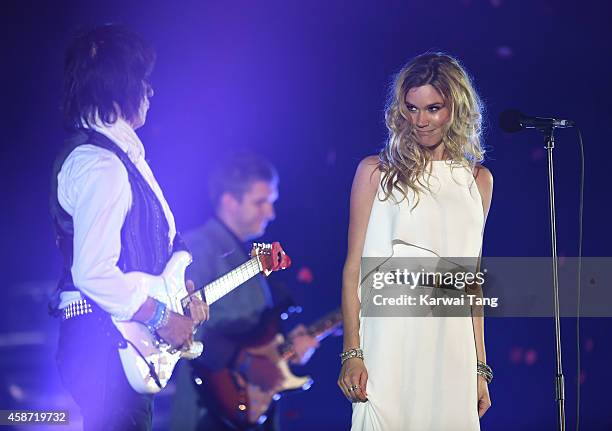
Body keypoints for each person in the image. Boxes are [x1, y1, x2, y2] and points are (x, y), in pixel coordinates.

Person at [50, 24, 208, 431]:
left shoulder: (121, 159)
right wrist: (162, 318)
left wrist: (181, 293)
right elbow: (93, 272)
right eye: (142, 80)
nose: (150, 91)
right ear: (117, 87)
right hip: (101, 342)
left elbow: (154, 246)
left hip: (115, 342)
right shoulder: (100, 166)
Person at [338, 52, 494, 430]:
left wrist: (480, 368)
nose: (420, 120)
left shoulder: (478, 181)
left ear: (455, 108)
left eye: (433, 108)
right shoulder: (375, 173)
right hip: (389, 340)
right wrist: (351, 352)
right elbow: (353, 269)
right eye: (412, 108)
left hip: (451, 345)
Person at [170, 152, 319, 431]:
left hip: (245, 411)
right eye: (260, 202)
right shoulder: (198, 249)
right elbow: (180, 322)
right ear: (229, 202)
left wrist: (285, 348)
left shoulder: (245, 254)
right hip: (208, 410)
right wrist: (245, 362)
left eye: (271, 203)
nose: (271, 213)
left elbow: (251, 331)